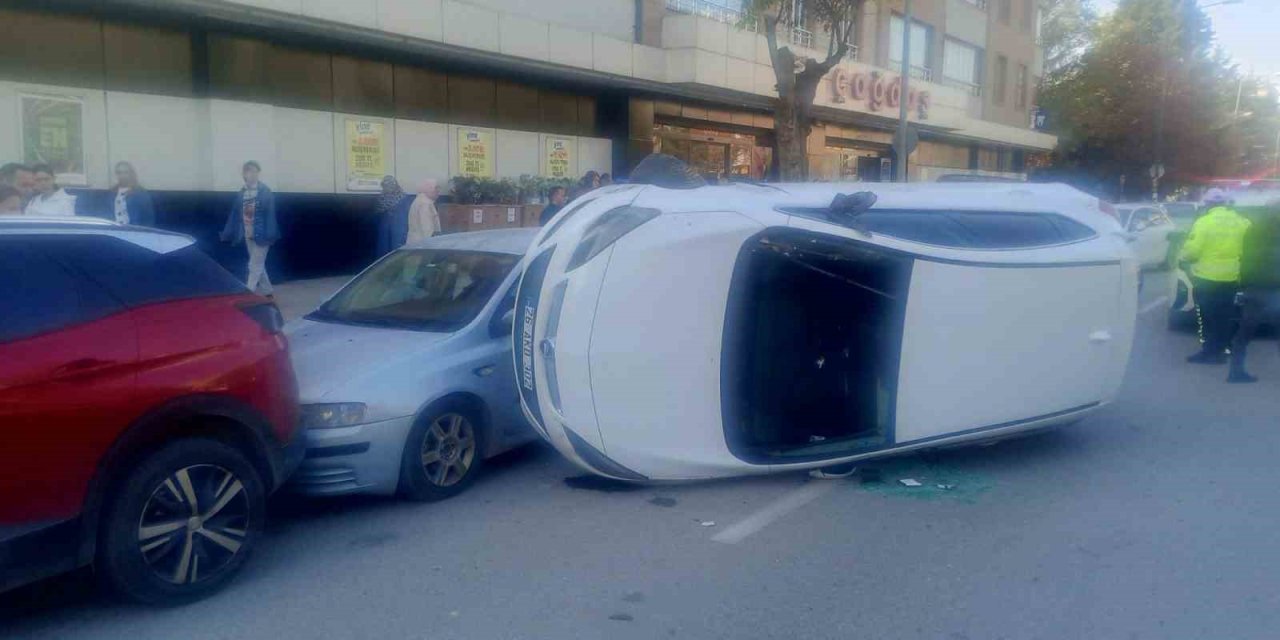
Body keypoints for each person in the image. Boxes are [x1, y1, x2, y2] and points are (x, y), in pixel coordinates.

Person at [1180, 188, 1251, 364]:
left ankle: (1209, 353)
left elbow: (1192, 251)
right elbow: (1251, 248)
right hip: (1231, 277)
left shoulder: (1204, 222)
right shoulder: (1242, 222)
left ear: (1208, 204)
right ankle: (1221, 350)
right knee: (1224, 317)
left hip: (1207, 278)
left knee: (1207, 317)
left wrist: (1182, 257)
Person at [1227, 200, 1280, 383]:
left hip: (1253, 287)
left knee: (1245, 331)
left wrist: (1244, 283)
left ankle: (1235, 372)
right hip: (1274, 288)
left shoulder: (1252, 230)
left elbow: (1245, 256)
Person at [220, 161, 280, 297]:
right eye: (250, 171)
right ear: (244, 174)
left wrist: (270, 234)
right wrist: (228, 233)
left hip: (263, 235)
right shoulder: (242, 192)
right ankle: (268, 290)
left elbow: (270, 215)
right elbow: (235, 215)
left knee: (253, 265)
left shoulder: (265, 191)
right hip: (248, 234)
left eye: (255, 171)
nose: (253, 174)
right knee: (258, 264)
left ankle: (248, 292)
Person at [110, 161, 156, 226]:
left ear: (131, 174)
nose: (122, 175)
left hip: (133, 231)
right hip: (115, 230)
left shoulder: (141, 193)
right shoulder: (112, 192)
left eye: (125, 172)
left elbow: (149, 218)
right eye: (119, 173)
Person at [375, 175, 411, 256]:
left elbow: (407, 214)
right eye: (385, 185)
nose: (388, 188)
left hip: (399, 227)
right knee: (383, 248)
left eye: (390, 185)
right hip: (385, 228)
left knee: (397, 248)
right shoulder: (381, 197)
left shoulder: (403, 197)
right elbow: (378, 212)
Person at [406, 178, 442, 245]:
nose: (438, 192)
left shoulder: (419, 200)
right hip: (423, 243)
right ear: (429, 189)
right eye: (436, 189)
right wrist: (434, 243)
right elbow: (427, 228)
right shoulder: (425, 204)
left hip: (416, 241)